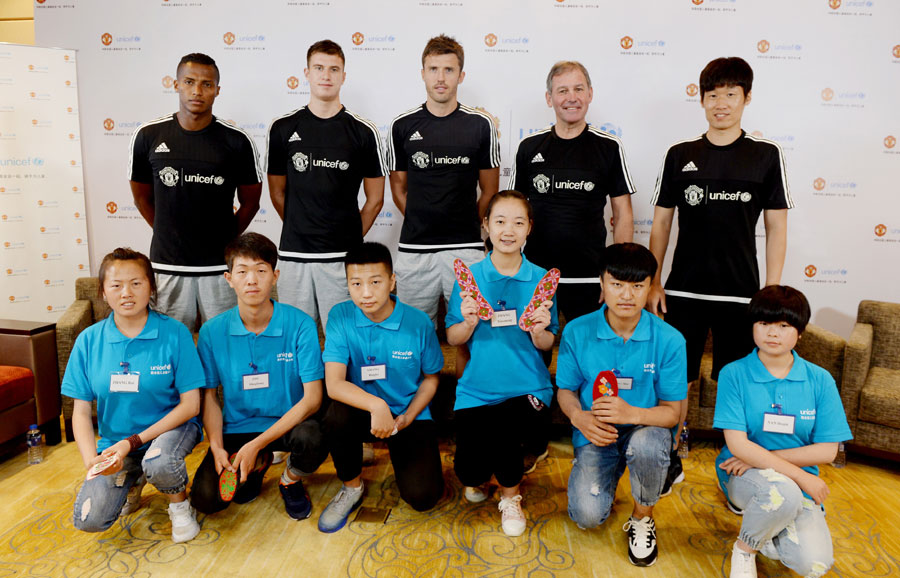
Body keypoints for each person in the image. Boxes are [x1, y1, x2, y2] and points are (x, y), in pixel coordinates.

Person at [648, 56, 793, 493]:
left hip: (740, 294)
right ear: (702, 99)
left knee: (735, 377)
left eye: (731, 94)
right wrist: (655, 281)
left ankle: (737, 457)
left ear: (746, 99)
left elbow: (777, 225)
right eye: (713, 95)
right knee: (680, 377)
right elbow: (660, 223)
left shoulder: (765, 156)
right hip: (683, 290)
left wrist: (770, 289)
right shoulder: (681, 155)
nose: (722, 103)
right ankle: (675, 443)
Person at [556, 242, 687, 567]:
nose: (626, 295)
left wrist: (632, 414)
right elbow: (565, 391)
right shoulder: (577, 330)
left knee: (645, 446)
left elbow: (672, 412)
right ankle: (611, 470)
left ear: (650, 288)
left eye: (637, 286)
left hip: (646, 430)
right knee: (586, 516)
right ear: (602, 284)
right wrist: (578, 418)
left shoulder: (670, 339)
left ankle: (643, 516)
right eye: (617, 285)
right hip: (596, 432)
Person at [62, 248, 205, 543]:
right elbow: (79, 412)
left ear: (151, 287)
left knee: (160, 460)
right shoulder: (89, 340)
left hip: (172, 430)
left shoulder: (174, 333)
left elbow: (191, 405)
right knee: (90, 519)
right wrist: (93, 461)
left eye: (136, 283)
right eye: (116, 285)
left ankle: (178, 505)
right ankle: (134, 478)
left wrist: (134, 442)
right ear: (103, 292)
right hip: (116, 444)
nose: (126, 293)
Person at [713, 285, 850, 578]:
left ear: (799, 333)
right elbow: (737, 445)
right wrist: (799, 475)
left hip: (778, 473)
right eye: (764, 324)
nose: (772, 333)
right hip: (741, 473)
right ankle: (745, 548)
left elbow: (827, 450)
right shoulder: (734, 374)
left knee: (814, 564)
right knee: (782, 492)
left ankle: (766, 528)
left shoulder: (819, 380)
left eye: (784, 326)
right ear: (753, 326)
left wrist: (759, 457)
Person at [191, 233, 328, 521]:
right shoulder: (212, 332)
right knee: (207, 500)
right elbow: (210, 398)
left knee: (314, 438)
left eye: (261, 271)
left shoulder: (300, 324)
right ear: (229, 279)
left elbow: (313, 398)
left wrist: (257, 443)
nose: (252, 280)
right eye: (242, 272)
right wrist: (216, 446)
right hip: (238, 427)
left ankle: (290, 479)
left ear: (275, 276)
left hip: (289, 423)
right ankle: (261, 461)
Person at [445, 190, 558, 537]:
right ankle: (486, 472)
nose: (508, 230)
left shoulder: (542, 279)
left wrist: (540, 330)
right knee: (468, 472)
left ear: (529, 229)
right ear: (486, 226)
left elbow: (548, 340)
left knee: (505, 424)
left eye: (518, 222)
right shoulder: (469, 278)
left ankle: (511, 496)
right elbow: (453, 338)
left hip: (528, 387)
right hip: (477, 389)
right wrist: (466, 322)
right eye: (500, 221)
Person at [129, 52, 262, 332]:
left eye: (206, 84)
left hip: (219, 268)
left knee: (226, 344)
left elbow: (251, 201)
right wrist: (166, 230)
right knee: (170, 346)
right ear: (176, 84)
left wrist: (227, 240)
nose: (197, 91)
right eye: (189, 82)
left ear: (217, 90)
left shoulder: (237, 141)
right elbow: (141, 197)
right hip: (167, 266)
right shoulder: (149, 135)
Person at [317, 242, 445, 533]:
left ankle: (397, 449)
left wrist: (409, 416)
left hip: (407, 415)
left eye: (375, 282)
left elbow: (432, 378)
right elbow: (334, 384)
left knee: (423, 497)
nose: (366, 293)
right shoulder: (340, 315)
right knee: (335, 415)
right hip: (361, 413)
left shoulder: (417, 322)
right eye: (356, 283)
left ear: (392, 280)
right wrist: (377, 405)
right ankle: (351, 486)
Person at [266, 40, 386, 330]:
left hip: (342, 257)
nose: (326, 75)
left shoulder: (363, 131)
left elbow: (375, 199)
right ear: (306, 73)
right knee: (295, 339)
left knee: (343, 338)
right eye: (319, 68)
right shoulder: (283, 128)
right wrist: (301, 223)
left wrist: (349, 234)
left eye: (334, 69)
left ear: (344, 76)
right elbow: (277, 192)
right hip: (295, 255)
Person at [509, 60, 635, 323]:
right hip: (536, 276)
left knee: (591, 356)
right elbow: (512, 211)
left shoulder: (609, 147)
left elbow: (622, 214)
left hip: (590, 277)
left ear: (590, 93)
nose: (571, 98)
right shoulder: (529, 147)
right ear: (549, 98)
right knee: (533, 356)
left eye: (578, 89)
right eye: (562, 90)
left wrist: (617, 276)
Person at [387, 34, 500, 325]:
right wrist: (421, 217)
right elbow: (398, 188)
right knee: (413, 332)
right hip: (415, 250)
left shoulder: (480, 124)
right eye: (433, 69)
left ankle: (469, 375)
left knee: (470, 329)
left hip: (466, 248)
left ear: (461, 75)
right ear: (422, 73)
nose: (441, 78)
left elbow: (489, 190)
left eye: (449, 70)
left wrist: (468, 225)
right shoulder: (402, 126)